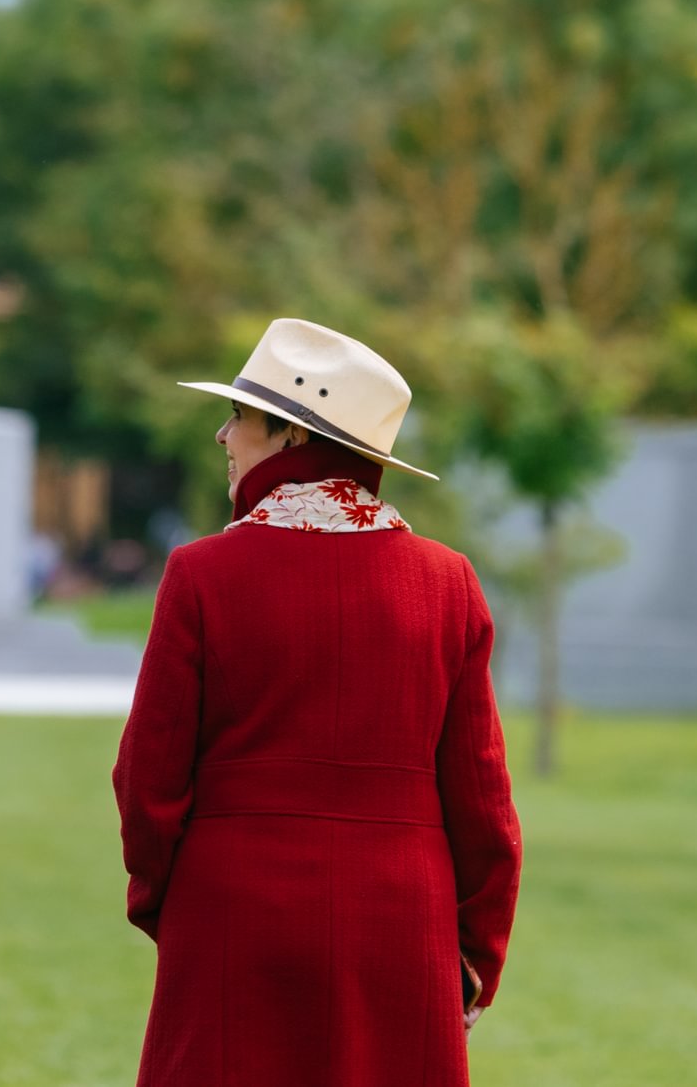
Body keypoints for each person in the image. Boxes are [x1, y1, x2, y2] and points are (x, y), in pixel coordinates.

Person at [112, 318, 523, 1087]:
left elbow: (148, 779)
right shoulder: (449, 584)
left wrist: (171, 903)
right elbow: (484, 801)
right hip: (401, 924)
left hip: (233, 908)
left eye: (241, 415)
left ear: (292, 437)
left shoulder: (202, 574)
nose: (222, 433)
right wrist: (473, 950)